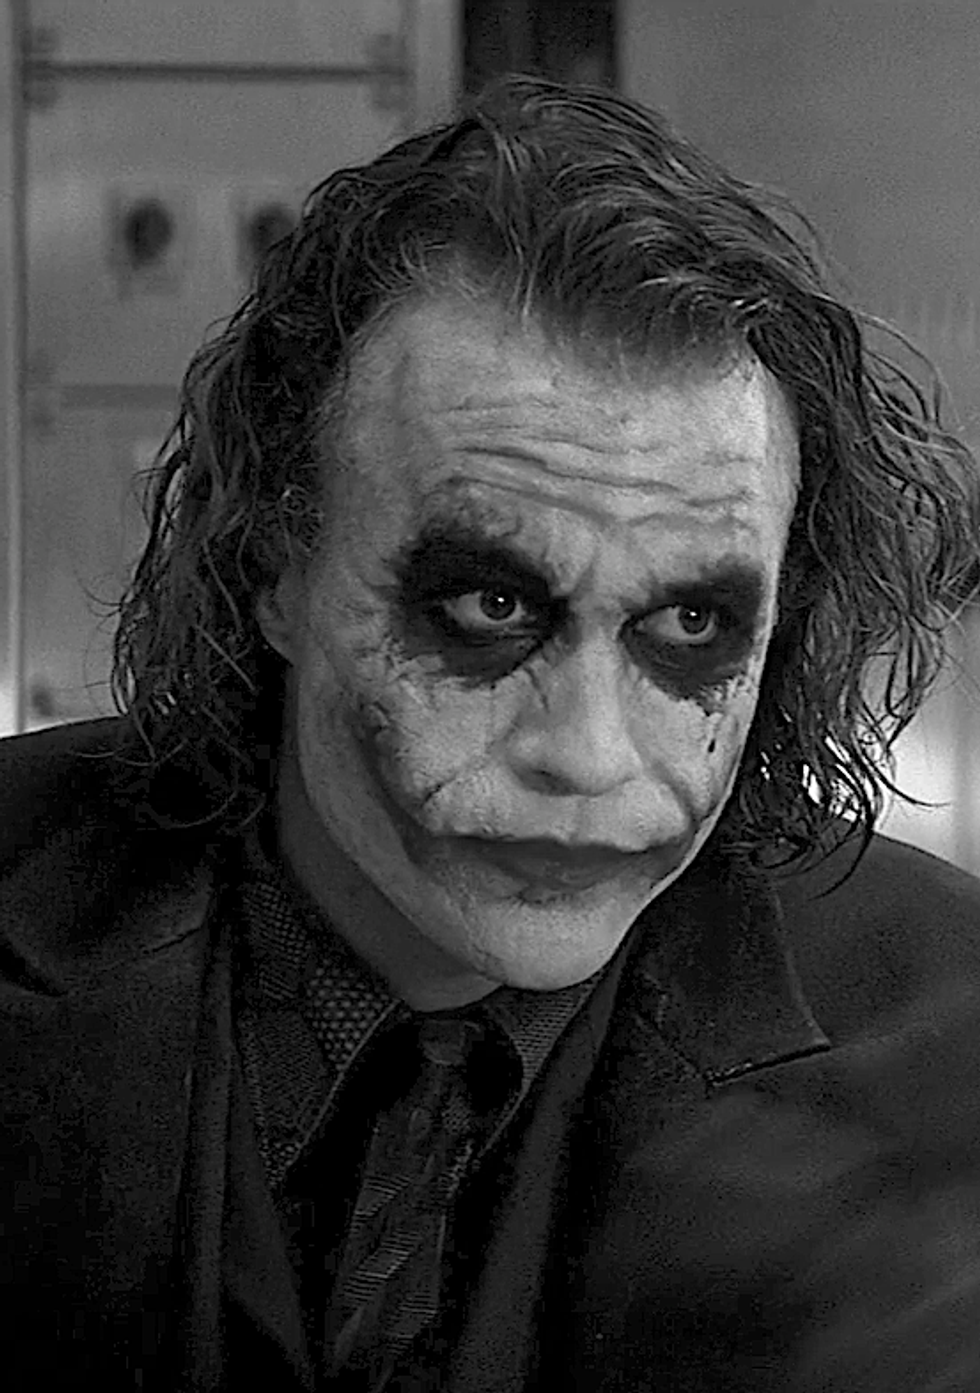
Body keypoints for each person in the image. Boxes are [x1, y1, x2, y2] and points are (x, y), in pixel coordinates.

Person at [4, 74, 980, 1393]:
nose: (587, 754)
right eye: (490, 607)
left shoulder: (949, 1044)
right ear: (275, 565)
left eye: (691, 625)